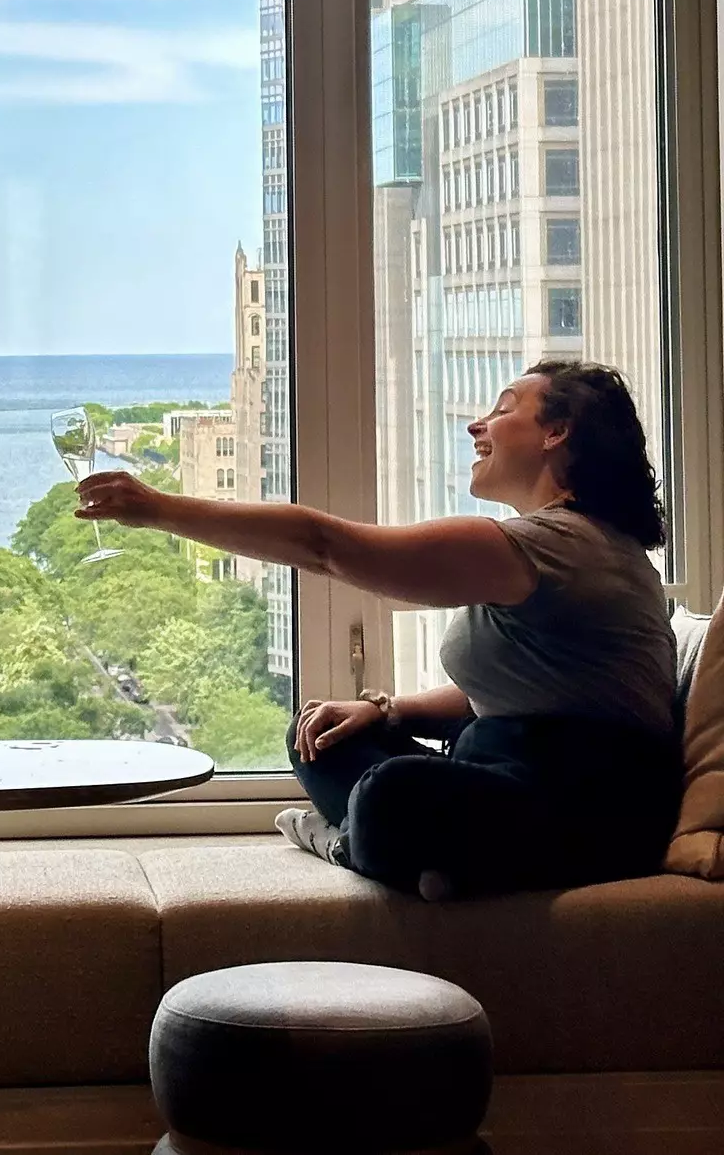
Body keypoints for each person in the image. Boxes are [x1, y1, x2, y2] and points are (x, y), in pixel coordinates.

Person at [76, 361, 681, 902]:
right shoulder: (568, 546)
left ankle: (347, 845)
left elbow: (323, 546)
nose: (478, 425)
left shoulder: (560, 546)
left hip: (588, 806)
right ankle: (432, 865)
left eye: (502, 409)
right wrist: (387, 712)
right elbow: (516, 692)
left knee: (394, 793)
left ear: (556, 433)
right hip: (504, 783)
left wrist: (159, 509)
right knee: (322, 732)